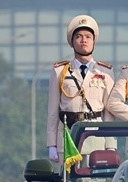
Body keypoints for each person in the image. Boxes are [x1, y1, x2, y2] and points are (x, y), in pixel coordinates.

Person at [47, 14, 114, 162]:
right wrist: (51, 144)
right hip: (68, 136)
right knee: (68, 176)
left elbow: (109, 112)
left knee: (94, 177)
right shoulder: (60, 71)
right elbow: (52, 111)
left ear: (94, 41)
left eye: (88, 37)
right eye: (78, 36)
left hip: (96, 137)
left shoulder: (105, 72)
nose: (84, 40)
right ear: (72, 42)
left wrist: (110, 145)